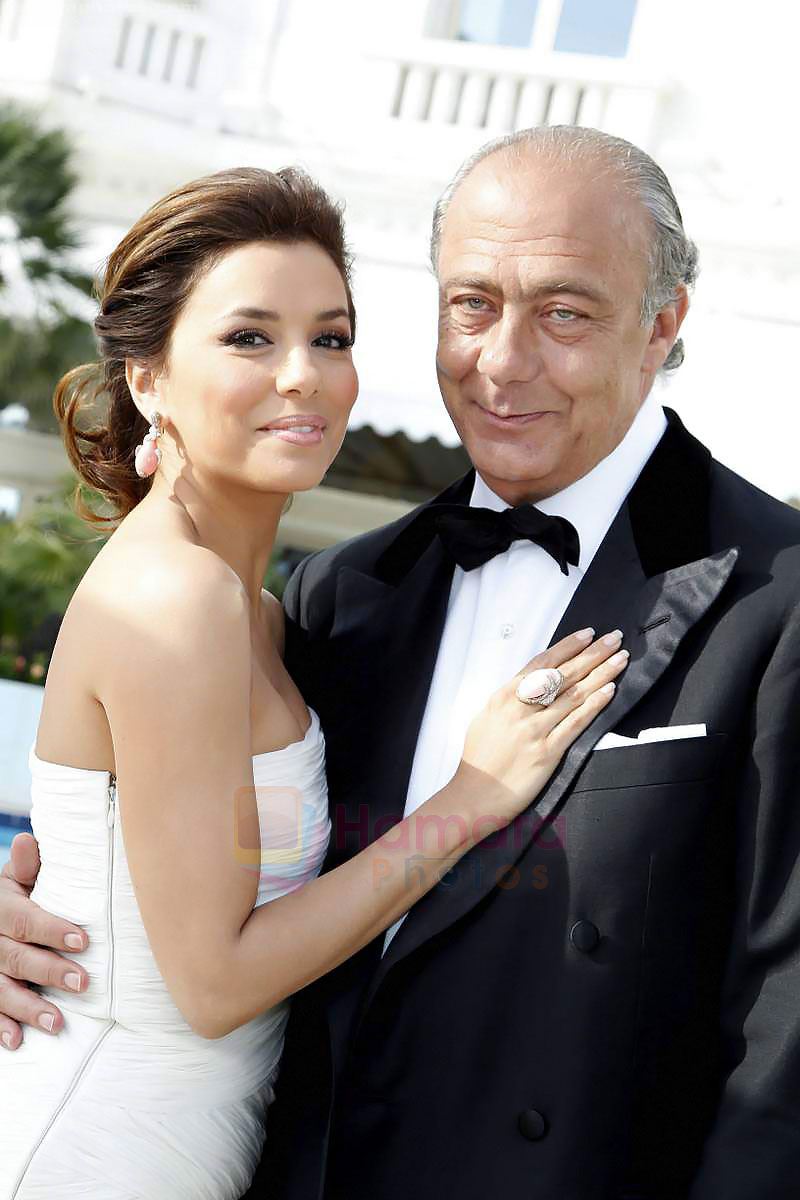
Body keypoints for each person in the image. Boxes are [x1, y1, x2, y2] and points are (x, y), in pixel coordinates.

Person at [2, 123, 800, 1199]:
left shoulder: (778, 597)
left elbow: (783, 1051)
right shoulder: (340, 598)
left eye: (563, 312)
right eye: (470, 304)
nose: (503, 361)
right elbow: (199, 911)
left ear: (661, 325)